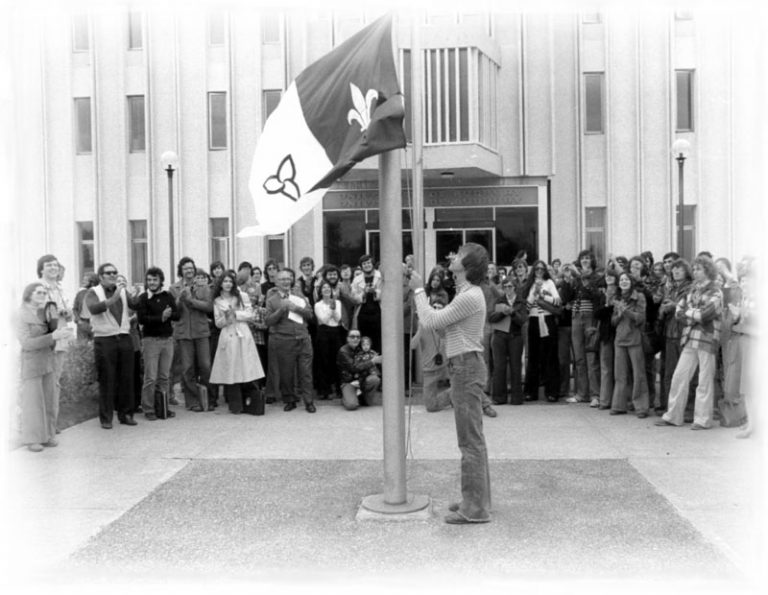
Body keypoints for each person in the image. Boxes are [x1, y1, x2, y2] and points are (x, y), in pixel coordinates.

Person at [409, 242, 492, 525]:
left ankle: (475, 508)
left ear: (467, 266)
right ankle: (477, 499)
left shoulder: (469, 296)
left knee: (469, 442)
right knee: (473, 440)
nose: (453, 257)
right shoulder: (465, 293)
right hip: (464, 366)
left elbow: (432, 321)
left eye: (459, 255)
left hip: (466, 368)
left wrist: (419, 289)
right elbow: (445, 326)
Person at [656, 256, 723, 430]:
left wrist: (690, 314)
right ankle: (673, 416)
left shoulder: (716, 291)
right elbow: (679, 312)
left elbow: (706, 314)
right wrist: (693, 314)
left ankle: (702, 420)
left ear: (708, 270)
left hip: (707, 339)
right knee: (679, 377)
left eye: (698, 269)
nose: (695, 272)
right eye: (693, 269)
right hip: (689, 337)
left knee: (704, 380)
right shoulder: (692, 290)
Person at [16, 282, 74, 451]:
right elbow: (26, 343)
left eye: (44, 293)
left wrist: (60, 333)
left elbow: (53, 330)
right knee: (33, 402)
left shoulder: (44, 313)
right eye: (39, 293)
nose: (42, 295)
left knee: (48, 399)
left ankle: (47, 435)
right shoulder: (20, 315)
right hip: (32, 362)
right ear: (29, 295)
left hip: (47, 360)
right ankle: (32, 439)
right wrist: (53, 337)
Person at [85, 263, 138, 429]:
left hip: (123, 336)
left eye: (115, 272)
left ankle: (126, 414)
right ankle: (106, 418)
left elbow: (135, 304)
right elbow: (93, 308)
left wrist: (138, 295)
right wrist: (113, 298)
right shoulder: (93, 292)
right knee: (107, 379)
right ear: (101, 276)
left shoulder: (121, 290)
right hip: (105, 338)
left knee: (126, 378)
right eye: (109, 273)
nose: (113, 275)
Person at [209, 270, 265, 413]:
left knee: (246, 367)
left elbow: (250, 314)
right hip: (228, 335)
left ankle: (252, 401)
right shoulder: (217, 301)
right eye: (225, 281)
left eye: (230, 281)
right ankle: (235, 405)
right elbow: (218, 323)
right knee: (231, 368)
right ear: (220, 284)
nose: (227, 284)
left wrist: (235, 314)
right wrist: (227, 318)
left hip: (242, 333)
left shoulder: (242, 296)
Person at [265, 268, 316, 413]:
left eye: (288, 279)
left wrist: (296, 308)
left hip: (303, 339)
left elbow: (310, 315)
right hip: (284, 340)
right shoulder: (271, 300)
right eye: (282, 279)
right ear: (276, 282)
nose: (286, 282)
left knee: (305, 372)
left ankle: (309, 401)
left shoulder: (299, 296)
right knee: (286, 374)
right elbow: (268, 321)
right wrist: (281, 310)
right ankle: (289, 400)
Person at [136, 266, 180, 420]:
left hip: (167, 340)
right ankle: (149, 409)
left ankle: (163, 407)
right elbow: (142, 319)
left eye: (155, 279)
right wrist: (161, 317)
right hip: (151, 341)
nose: (152, 283)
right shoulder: (143, 298)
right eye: (149, 280)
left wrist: (168, 315)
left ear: (161, 280)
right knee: (150, 377)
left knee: (164, 376)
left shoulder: (167, 296)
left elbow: (177, 315)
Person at [170, 258, 214, 413]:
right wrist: (179, 299)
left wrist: (191, 301)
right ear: (180, 270)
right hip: (183, 332)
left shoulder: (203, 287)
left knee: (206, 366)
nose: (189, 271)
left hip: (201, 331)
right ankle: (192, 400)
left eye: (191, 268)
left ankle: (208, 398)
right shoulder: (174, 287)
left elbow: (209, 307)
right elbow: (173, 312)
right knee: (187, 368)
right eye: (185, 268)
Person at [37, 254, 73, 432]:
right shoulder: (38, 288)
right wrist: (57, 312)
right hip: (46, 340)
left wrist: (67, 312)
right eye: (49, 265)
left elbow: (70, 313)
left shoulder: (60, 288)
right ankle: (43, 425)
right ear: (41, 269)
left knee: (55, 382)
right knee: (44, 383)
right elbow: (38, 313)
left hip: (61, 340)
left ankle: (52, 423)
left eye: (55, 265)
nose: (53, 268)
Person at [609, 272, 650, 418]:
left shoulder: (639, 297)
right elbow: (613, 322)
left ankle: (641, 407)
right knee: (619, 375)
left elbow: (641, 318)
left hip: (634, 339)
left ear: (631, 282)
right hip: (619, 339)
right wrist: (619, 314)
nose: (624, 282)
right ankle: (619, 405)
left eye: (626, 279)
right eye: (621, 280)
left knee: (639, 373)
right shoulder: (617, 298)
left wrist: (626, 311)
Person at [522, 259, 561, 403]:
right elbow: (526, 307)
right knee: (533, 357)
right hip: (533, 321)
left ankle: (552, 391)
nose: (539, 271)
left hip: (547, 320)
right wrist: (535, 293)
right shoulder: (529, 284)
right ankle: (531, 392)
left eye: (542, 269)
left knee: (551, 356)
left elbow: (558, 301)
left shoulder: (550, 283)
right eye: (537, 269)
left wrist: (543, 296)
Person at [566, 250, 602, 406]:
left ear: (592, 261)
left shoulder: (597, 277)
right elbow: (566, 298)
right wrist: (567, 281)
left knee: (591, 357)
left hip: (589, 316)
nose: (585, 260)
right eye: (583, 258)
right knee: (579, 358)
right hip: (576, 316)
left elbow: (594, 294)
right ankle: (582, 393)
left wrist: (579, 277)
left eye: (588, 258)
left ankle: (596, 394)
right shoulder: (576, 278)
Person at [658, 258, 693, 415]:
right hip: (669, 332)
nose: (676, 271)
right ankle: (669, 408)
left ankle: (688, 409)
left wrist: (674, 305)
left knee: (688, 374)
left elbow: (691, 309)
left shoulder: (691, 288)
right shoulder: (669, 288)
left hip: (685, 333)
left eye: (680, 268)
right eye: (674, 269)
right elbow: (662, 310)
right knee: (669, 373)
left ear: (687, 271)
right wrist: (663, 309)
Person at [488, 276, 527, 405]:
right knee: (499, 366)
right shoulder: (499, 300)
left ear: (515, 287)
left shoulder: (521, 302)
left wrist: (512, 313)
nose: (507, 289)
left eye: (510, 286)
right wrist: (503, 313)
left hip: (515, 336)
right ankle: (499, 398)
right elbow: (491, 318)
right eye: (505, 287)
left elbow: (522, 320)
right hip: (500, 336)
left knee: (516, 367)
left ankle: (516, 398)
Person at [410, 296, 452, 412]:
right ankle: (452, 396)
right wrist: (419, 328)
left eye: (440, 308)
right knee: (431, 407)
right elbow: (412, 346)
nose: (437, 310)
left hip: (446, 366)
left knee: (463, 382)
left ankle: (482, 403)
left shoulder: (448, 324)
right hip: (429, 369)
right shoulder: (424, 325)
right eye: (434, 307)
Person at [336, 329, 381, 410]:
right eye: (352, 337)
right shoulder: (343, 351)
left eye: (358, 337)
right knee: (351, 405)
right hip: (348, 381)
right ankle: (346, 398)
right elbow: (354, 367)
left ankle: (363, 398)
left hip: (361, 379)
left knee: (374, 379)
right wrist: (372, 361)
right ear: (347, 339)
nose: (355, 339)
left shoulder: (362, 348)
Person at [314, 279, 344, 399]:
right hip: (323, 332)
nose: (326, 289)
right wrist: (331, 309)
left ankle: (339, 388)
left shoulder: (338, 302)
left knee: (337, 360)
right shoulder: (318, 305)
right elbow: (323, 320)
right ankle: (324, 390)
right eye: (324, 288)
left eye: (328, 288)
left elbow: (338, 319)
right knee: (323, 361)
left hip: (335, 331)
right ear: (320, 291)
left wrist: (333, 308)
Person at [351, 254, 382, 353]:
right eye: (364, 263)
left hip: (379, 314)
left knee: (378, 341)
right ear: (361, 266)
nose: (367, 265)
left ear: (372, 263)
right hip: (363, 315)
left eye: (368, 263)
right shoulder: (356, 280)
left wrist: (375, 292)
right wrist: (363, 293)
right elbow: (354, 298)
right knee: (364, 341)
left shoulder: (381, 276)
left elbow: (387, 294)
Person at [72, 272, 99, 341]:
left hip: (96, 324)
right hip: (82, 323)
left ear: (92, 282)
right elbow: (75, 308)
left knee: (96, 347)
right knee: (81, 347)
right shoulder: (80, 293)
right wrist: (78, 320)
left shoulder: (99, 294)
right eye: (83, 279)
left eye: (85, 280)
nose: (83, 281)